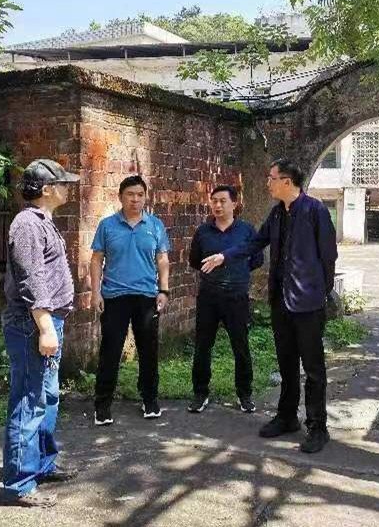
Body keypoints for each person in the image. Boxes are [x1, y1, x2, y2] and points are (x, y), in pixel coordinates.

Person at [201, 158, 337, 453]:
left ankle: (318, 427)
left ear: (287, 181)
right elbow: (255, 243)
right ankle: (287, 417)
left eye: (272, 178)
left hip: (309, 304)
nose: (268, 183)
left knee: (313, 369)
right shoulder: (276, 213)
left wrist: (320, 292)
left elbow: (329, 256)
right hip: (281, 302)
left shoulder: (315, 211)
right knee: (286, 364)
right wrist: (225, 256)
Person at [2, 159, 80, 508]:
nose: (67, 188)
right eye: (63, 183)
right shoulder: (27, 225)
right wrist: (46, 327)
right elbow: (31, 278)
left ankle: (42, 464)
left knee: (47, 397)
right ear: (47, 189)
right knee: (29, 400)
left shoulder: (42, 221)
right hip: (31, 324)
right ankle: (20, 482)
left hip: (46, 322)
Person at [90, 175, 170, 426]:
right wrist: (95, 292)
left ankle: (149, 399)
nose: (135, 199)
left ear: (145, 197)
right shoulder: (107, 225)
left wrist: (164, 290)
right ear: (121, 197)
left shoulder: (155, 225)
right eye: (130, 194)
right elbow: (96, 260)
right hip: (115, 296)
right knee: (110, 351)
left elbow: (162, 260)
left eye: (140, 195)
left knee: (149, 351)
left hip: (146, 297)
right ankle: (102, 405)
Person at [188, 185, 264, 413]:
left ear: (234, 203)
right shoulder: (203, 231)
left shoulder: (246, 231)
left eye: (222, 200)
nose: (218, 205)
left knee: (240, 346)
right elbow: (195, 261)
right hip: (208, 298)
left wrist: (237, 272)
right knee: (203, 346)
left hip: (236, 297)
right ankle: (200, 394)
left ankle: (244, 394)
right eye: (214, 201)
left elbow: (257, 259)